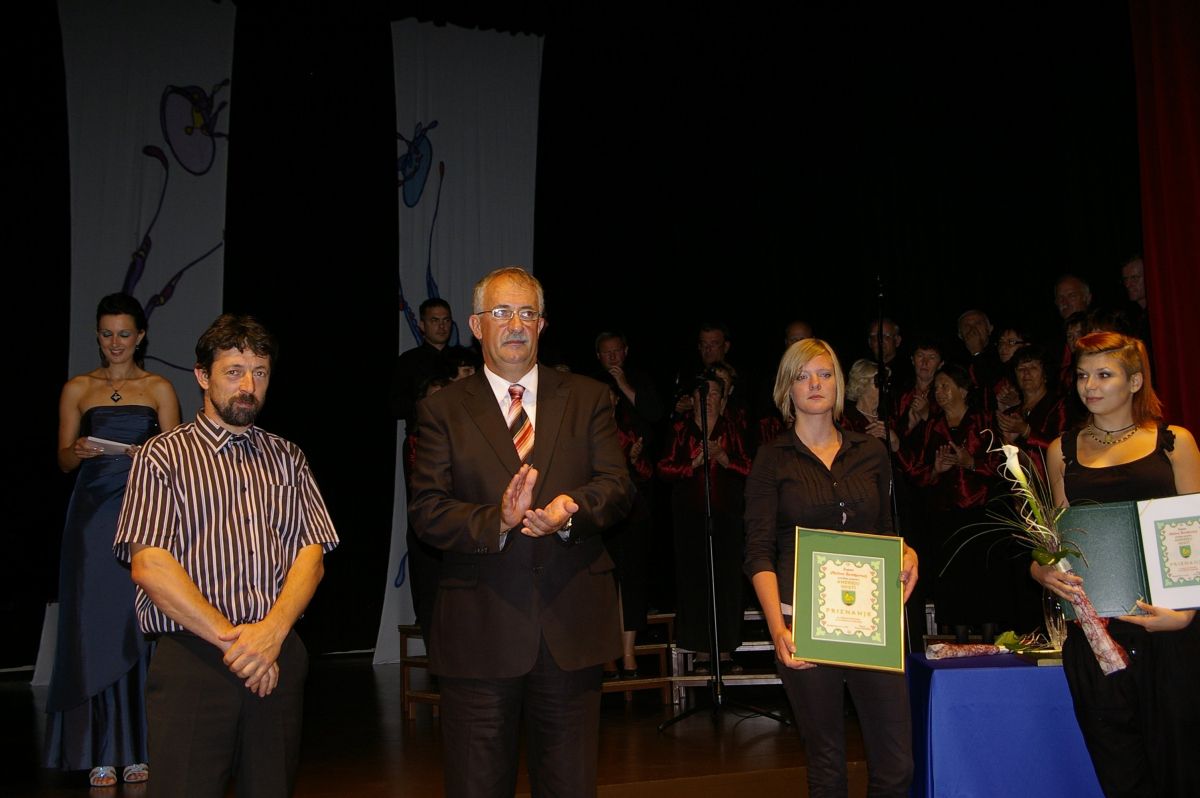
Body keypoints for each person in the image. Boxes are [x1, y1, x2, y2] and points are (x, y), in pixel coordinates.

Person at [408, 266, 633, 797]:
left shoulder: (588, 397)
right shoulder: (441, 409)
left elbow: (618, 487)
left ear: (542, 325)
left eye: (527, 313)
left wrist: (570, 511)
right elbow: (428, 511)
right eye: (501, 312)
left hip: (571, 628)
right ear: (476, 326)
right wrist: (499, 521)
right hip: (480, 631)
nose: (515, 324)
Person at [114, 314, 339, 797]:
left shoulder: (289, 458)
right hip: (193, 659)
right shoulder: (161, 456)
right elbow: (150, 564)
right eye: (234, 371)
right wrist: (238, 643)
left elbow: (312, 554)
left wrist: (272, 633)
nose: (248, 386)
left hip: (276, 656)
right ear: (202, 375)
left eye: (259, 372)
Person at [744, 338, 918, 798]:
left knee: (897, 767)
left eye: (823, 374)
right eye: (802, 376)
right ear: (787, 389)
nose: (815, 384)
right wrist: (778, 628)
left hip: (873, 625)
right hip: (802, 623)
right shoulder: (771, 458)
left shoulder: (871, 451)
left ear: (838, 384)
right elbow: (758, 551)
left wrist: (908, 554)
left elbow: (885, 531)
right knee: (827, 769)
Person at [1032, 332, 1200, 797]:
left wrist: (1185, 615)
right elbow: (1057, 538)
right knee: (1120, 773)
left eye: (1104, 374)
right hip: (1096, 632)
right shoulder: (1062, 449)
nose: (1090, 386)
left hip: (1170, 630)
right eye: (1083, 375)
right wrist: (1041, 570)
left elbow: (1195, 531)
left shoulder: (1174, 442)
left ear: (1135, 381)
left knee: (1182, 768)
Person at [45, 293, 180, 788]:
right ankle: (97, 746)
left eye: (124, 334)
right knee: (91, 624)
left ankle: (140, 745)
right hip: (90, 517)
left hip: (141, 513)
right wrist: (78, 449)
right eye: (107, 334)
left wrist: (151, 454)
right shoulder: (78, 387)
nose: (115, 343)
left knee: (136, 622)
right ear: (97, 336)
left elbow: (180, 461)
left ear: (140, 336)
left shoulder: (159, 388)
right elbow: (62, 459)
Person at [657, 371, 752, 673]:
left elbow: (751, 468)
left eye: (713, 394)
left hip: (727, 518)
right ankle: (700, 650)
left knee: (727, 581)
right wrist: (692, 465)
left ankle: (724, 650)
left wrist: (725, 459)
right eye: (703, 393)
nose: (707, 399)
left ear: (723, 400)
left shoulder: (732, 429)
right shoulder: (681, 429)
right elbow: (663, 468)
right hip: (690, 519)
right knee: (695, 581)